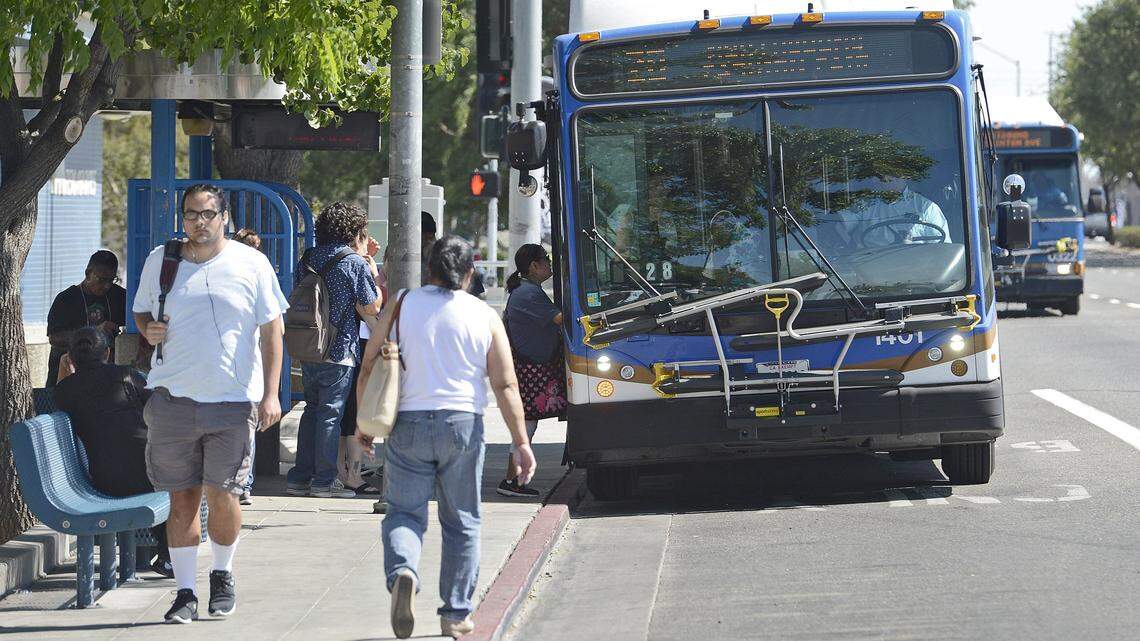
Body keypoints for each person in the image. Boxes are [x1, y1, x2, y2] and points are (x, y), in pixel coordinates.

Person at [356, 236, 537, 639]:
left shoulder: (402, 303)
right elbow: (506, 384)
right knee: (462, 521)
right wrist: (521, 441)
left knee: (404, 512)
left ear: (429, 270)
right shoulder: (482, 313)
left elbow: (370, 364)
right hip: (463, 425)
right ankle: (455, 613)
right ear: (469, 274)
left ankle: (404, 569)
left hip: (408, 424)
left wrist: (363, 426)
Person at [132, 183, 287, 624]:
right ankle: (184, 591)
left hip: (231, 402)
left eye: (207, 214)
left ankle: (222, 574)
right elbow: (142, 311)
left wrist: (271, 393)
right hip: (172, 398)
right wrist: (148, 329)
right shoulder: (163, 261)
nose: (199, 222)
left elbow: (272, 331)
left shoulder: (250, 263)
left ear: (224, 218)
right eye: (191, 214)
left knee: (223, 495)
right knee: (182, 499)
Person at [52, 327, 173, 577]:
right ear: (107, 352)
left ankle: (166, 556)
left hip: (104, 479)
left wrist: (67, 369)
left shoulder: (64, 391)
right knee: (174, 481)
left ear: (71, 358)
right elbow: (159, 410)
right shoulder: (126, 376)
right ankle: (169, 556)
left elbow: (63, 391)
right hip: (147, 474)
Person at [285, 202, 384, 499]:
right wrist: (372, 268)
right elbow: (371, 306)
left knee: (311, 412)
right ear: (355, 232)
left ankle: (299, 477)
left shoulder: (310, 257)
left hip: (310, 347)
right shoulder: (354, 262)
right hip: (339, 350)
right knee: (331, 415)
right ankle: (324, 481)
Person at [498, 244, 565, 498]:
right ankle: (513, 481)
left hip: (529, 367)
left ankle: (513, 479)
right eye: (546, 260)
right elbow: (560, 319)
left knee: (527, 424)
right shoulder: (529, 294)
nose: (549, 264)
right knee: (526, 425)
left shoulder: (528, 290)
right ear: (533, 266)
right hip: (529, 370)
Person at [45, 250, 126, 386]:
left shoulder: (119, 296)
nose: (106, 286)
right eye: (101, 280)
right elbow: (55, 338)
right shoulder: (66, 299)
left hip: (104, 381)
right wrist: (95, 333)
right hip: (66, 381)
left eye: (111, 280)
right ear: (88, 273)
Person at [232, 228, 264, 506]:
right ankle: (243, 484)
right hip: (247, 366)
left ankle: (240, 483)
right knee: (246, 430)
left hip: (238, 366)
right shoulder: (258, 278)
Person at [855, 177, 950, 247]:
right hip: (869, 267)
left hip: (917, 267)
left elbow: (943, 250)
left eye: (880, 175)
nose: (874, 180)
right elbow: (841, 227)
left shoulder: (927, 207)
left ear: (899, 176)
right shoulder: (864, 204)